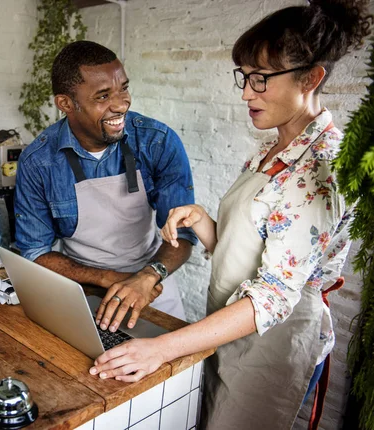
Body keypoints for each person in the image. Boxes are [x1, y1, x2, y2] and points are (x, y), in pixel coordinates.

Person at [88, 1, 372, 428]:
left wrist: (164, 348)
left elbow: (273, 296)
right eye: (244, 76)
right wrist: (202, 221)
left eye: (260, 79)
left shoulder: (319, 169)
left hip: (274, 343)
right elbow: (247, 255)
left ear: (311, 78)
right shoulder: (270, 148)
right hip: (230, 327)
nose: (245, 93)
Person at [14, 40, 197, 328]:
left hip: (152, 287)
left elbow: (183, 235)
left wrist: (148, 276)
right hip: (81, 289)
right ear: (65, 104)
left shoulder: (157, 141)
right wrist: (107, 278)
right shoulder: (39, 161)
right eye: (102, 96)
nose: (121, 104)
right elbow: (35, 252)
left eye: (123, 88)